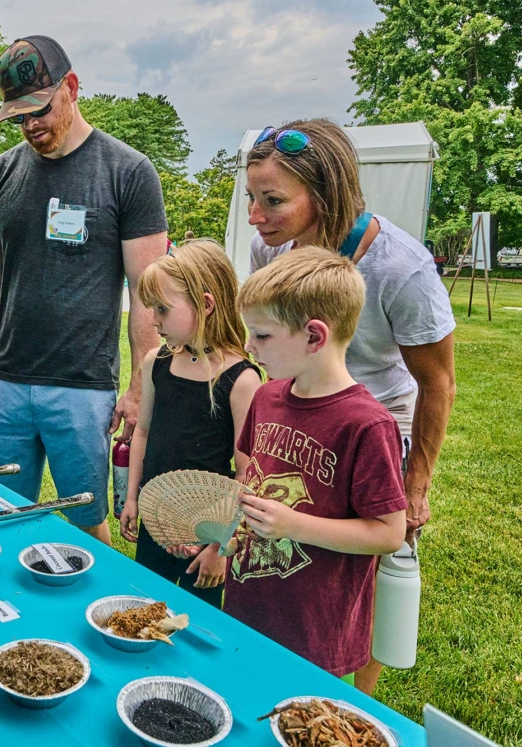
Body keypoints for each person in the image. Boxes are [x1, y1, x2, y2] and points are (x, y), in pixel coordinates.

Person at [245, 119, 455, 691]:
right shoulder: (273, 253)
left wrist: (415, 484)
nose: (255, 218)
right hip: (302, 410)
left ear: (325, 194)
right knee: (297, 555)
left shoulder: (400, 269)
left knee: (365, 580)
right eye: (251, 198)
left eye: (272, 201)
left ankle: (353, 703)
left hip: (374, 423)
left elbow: (437, 383)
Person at [0, 35, 169, 545]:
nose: (31, 125)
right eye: (18, 117)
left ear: (71, 87)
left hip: (83, 386)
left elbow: (148, 290)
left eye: (41, 109)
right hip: (4, 383)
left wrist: (142, 385)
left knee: (87, 517)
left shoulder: (129, 172)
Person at [228, 246, 407, 690]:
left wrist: (293, 525)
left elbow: (388, 532)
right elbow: (251, 472)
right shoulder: (267, 397)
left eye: (263, 336)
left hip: (315, 627)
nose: (249, 347)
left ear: (314, 336)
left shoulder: (367, 424)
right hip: (249, 602)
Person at [118, 240, 261, 605]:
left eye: (163, 309)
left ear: (207, 304)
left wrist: (220, 544)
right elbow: (144, 433)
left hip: (206, 531)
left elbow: (247, 474)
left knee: (198, 622)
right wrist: (132, 496)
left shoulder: (241, 380)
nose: (153, 320)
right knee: (144, 608)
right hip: (156, 518)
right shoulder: (157, 362)